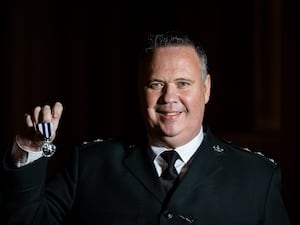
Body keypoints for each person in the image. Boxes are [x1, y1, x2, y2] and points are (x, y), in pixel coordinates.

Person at [1, 31, 290, 225]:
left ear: (207, 89)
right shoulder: (89, 165)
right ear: (141, 92)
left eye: (183, 84)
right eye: (156, 84)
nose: (169, 97)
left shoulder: (257, 178)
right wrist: (30, 151)